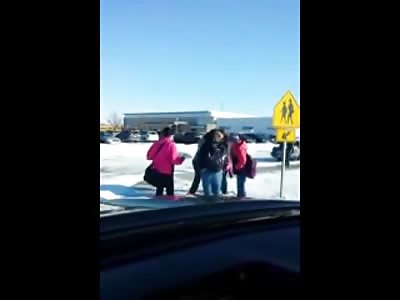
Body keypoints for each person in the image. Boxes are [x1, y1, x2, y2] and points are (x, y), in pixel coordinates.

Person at [146, 127, 185, 197]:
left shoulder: (156, 144)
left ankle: (157, 203)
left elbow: (149, 156)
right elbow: (173, 160)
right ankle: (169, 205)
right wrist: (181, 159)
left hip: (157, 170)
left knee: (159, 189)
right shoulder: (171, 145)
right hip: (167, 171)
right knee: (169, 191)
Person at [198, 130, 228, 198]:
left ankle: (216, 205)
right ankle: (208, 205)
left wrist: (225, 166)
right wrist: (202, 167)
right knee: (208, 192)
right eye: (216, 135)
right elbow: (201, 157)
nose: (218, 137)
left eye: (220, 136)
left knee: (216, 191)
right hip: (207, 170)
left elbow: (225, 157)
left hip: (218, 170)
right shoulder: (206, 145)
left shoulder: (223, 146)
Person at [187, 130, 216, 195]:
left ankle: (192, 191)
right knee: (201, 177)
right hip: (200, 161)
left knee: (198, 177)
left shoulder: (204, 139)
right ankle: (193, 191)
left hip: (196, 160)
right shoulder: (208, 143)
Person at [230, 134, 248, 199]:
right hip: (242, 167)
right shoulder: (240, 144)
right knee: (240, 183)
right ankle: (240, 195)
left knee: (241, 183)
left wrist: (236, 167)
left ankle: (241, 196)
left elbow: (243, 160)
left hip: (242, 168)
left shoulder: (239, 148)